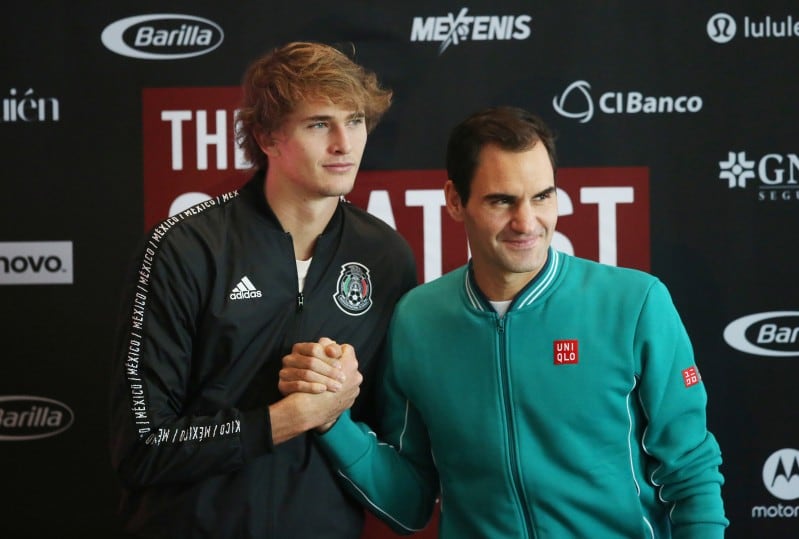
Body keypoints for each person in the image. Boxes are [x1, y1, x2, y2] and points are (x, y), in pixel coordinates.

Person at [281, 106, 729, 538]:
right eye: (502, 201)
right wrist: (332, 419)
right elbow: (410, 502)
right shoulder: (417, 320)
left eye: (542, 197)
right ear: (455, 201)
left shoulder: (635, 303)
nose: (527, 222)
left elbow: (690, 471)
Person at [108, 41, 416, 539]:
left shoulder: (386, 257)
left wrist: (341, 403)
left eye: (355, 120)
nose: (345, 143)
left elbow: (397, 450)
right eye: (319, 124)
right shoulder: (185, 248)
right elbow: (142, 447)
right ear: (267, 137)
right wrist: (286, 418)